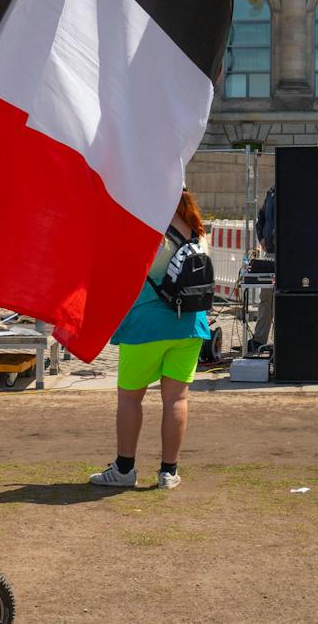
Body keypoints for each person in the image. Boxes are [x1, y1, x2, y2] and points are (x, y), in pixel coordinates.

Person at [90, 190, 211, 491]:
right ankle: (169, 472)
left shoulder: (147, 224)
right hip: (190, 325)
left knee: (130, 398)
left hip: (145, 324)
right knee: (176, 399)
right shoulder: (196, 228)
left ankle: (124, 468)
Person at [245, 186, 277, 357]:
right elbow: (262, 217)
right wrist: (262, 237)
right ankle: (259, 340)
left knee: (281, 300)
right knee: (266, 299)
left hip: (289, 255)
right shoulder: (271, 193)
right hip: (271, 252)